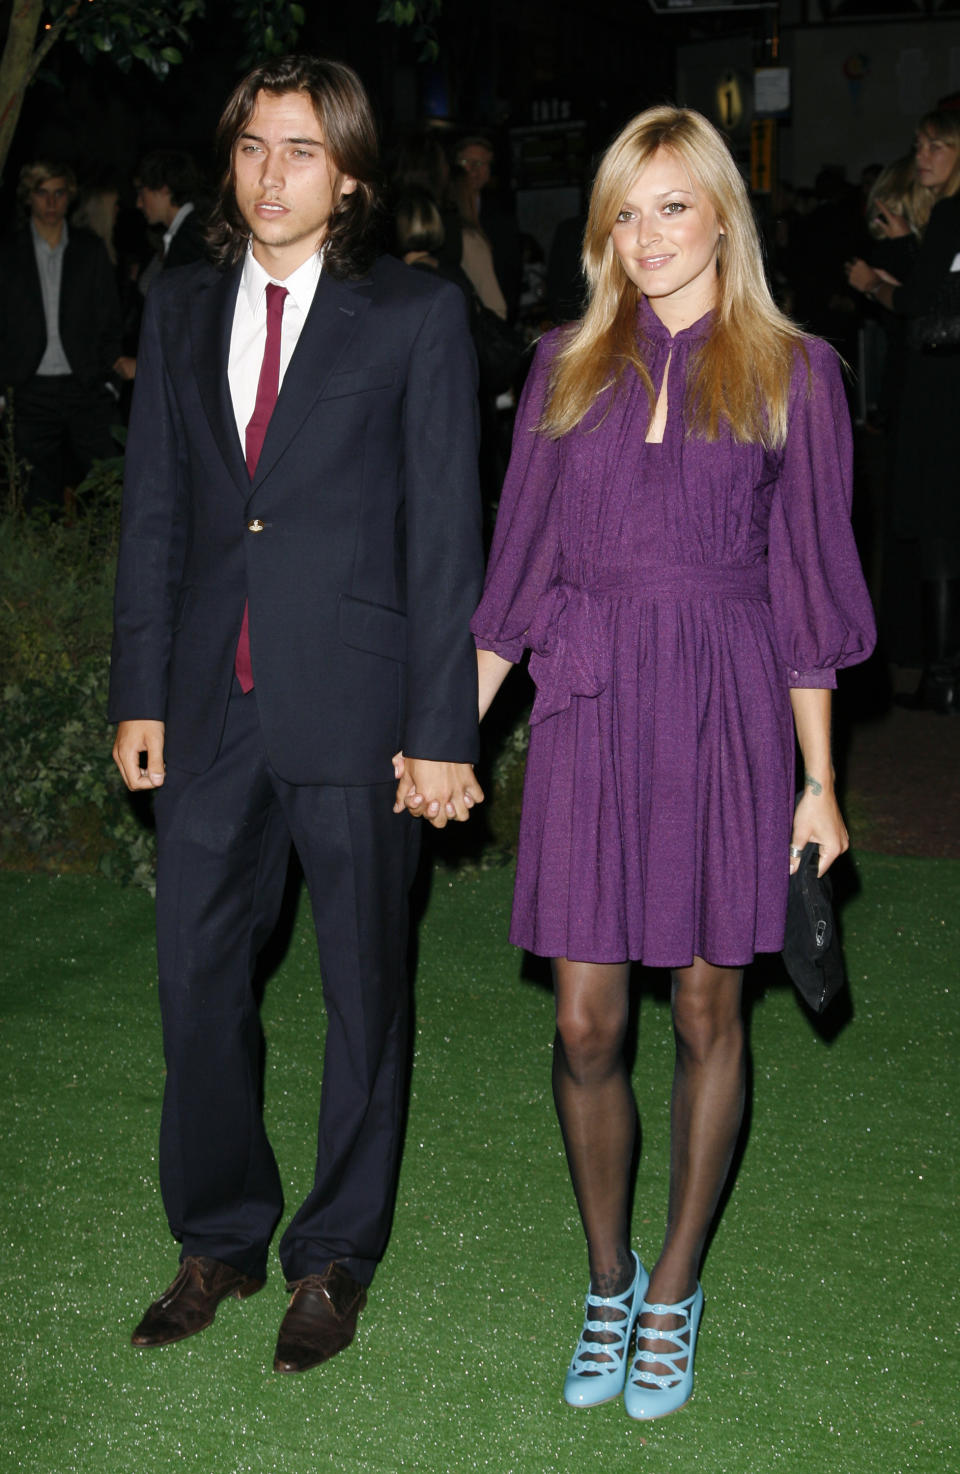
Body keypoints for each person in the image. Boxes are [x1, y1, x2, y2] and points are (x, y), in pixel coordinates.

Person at [466, 106, 875, 1420]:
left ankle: (673, 1286)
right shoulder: (561, 364)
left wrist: (820, 784)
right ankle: (606, 1270)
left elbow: (808, 596)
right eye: (623, 213)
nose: (645, 237)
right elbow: (515, 577)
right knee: (585, 1021)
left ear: (721, 216)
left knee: (707, 1010)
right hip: (590, 705)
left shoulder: (793, 371)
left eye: (671, 208)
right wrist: (446, 734)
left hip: (724, 708)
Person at [109, 53, 484, 1375]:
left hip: (363, 706)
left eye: (303, 151)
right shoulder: (180, 302)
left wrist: (446, 725)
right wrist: (138, 690)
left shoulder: (414, 317)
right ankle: (218, 1234)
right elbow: (155, 509)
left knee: (363, 988)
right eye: (255, 146)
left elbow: (447, 537)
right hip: (209, 705)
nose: (273, 174)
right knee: (196, 980)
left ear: (353, 176)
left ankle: (334, 1257)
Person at [847, 109, 960, 713]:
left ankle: (941, 675)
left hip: (940, 390)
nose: (924, 157)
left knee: (938, 528)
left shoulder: (948, 214)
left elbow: (917, 303)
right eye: (919, 145)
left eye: (938, 146)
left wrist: (873, 285)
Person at [0, 160, 121, 512]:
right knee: (34, 489)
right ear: (29, 198)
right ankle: (42, 560)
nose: (51, 202)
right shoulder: (9, 254)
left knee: (103, 481)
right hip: (29, 387)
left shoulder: (89, 250)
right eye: (42, 193)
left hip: (85, 384)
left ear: (69, 198)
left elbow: (110, 317)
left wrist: (110, 381)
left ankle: (104, 559)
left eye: (59, 193)